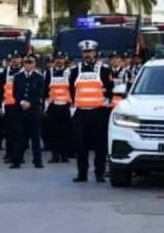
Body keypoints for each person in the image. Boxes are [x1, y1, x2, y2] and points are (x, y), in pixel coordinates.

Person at [69, 40, 114, 183]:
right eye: (85, 52)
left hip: (98, 112)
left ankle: (99, 173)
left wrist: (105, 104)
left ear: (95, 52)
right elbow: (71, 89)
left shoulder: (104, 69)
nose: (87, 54)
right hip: (81, 113)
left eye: (90, 52)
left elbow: (110, 89)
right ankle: (82, 173)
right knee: (80, 145)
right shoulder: (75, 70)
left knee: (100, 145)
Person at [11, 53, 44, 169]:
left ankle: (37, 161)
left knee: (35, 137)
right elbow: (15, 93)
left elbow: (39, 93)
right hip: (20, 110)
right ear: (23, 64)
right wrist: (21, 102)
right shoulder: (17, 77)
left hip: (33, 110)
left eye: (31, 63)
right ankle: (17, 160)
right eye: (26, 63)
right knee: (20, 136)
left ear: (34, 64)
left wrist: (30, 102)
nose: (28, 65)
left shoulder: (39, 77)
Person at [43, 51, 71, 163]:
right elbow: (45, 90)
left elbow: (72, 89)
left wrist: (72, 105)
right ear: (54, 61)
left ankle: (64, 155)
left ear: (64, 60)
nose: (59, 61)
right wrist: (45, 105)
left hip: (65, 106)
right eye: (57, 59)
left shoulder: (69, 72)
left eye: (61, 58)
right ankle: (54, 155)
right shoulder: (49, 72)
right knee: (53, 132)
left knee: (65, 132)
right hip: (53, 106)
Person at [0, 52, 23, 163]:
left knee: (20, 132)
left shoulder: (24, 71)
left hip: (21, 106)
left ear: (21, 59)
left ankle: (18, 156)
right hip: (8, 105)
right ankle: (9, 153)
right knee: (9, 132)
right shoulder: (5, 72)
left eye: (17, 58)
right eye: (13, 58)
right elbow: (0, 90)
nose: (15, 60)